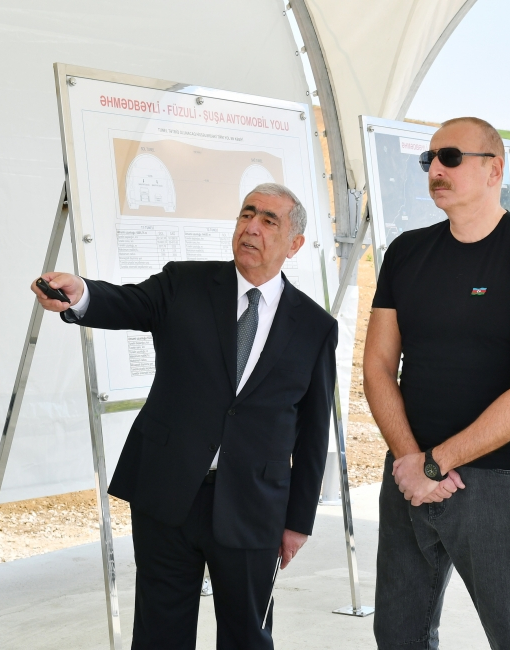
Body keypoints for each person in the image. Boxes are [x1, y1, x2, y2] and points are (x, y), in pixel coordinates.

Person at [32, 183, 338, 650]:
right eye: (247, 214)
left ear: (294, 244)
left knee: (247, 637)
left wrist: (298, 521)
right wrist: (82, 295)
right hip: (168, 492)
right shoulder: (185, 283)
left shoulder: (315, 327)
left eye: (268, 220)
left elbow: (314, 431)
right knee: (160, 633)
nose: (251, 227)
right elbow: (127, 302)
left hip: (253, 505)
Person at [363, 117, 510, 650]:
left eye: (451, 158)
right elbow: (377, 366)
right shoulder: (406, 252)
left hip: (493, 483)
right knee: (397, 636)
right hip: (408, 476)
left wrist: (436, 463)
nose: (435, 168)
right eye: (429, 159)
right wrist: (411, 461)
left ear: (494, 170)